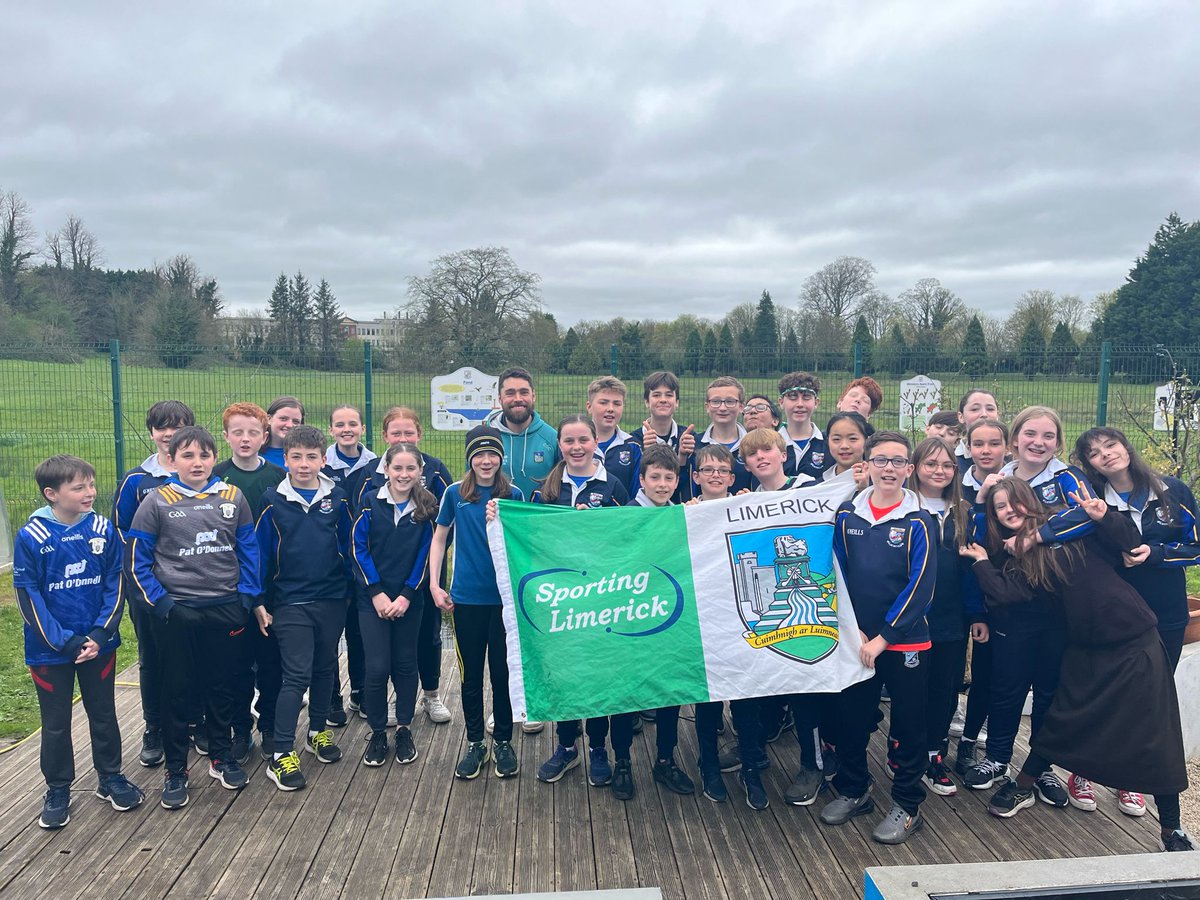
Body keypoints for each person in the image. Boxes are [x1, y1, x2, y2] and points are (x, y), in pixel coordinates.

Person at [961, 479, 1193, 851]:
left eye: (1015, 501)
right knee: (1064, 719)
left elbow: (1127, 540)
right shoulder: (1018, 561)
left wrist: (1104, 514)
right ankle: (1023, 786)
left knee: (1155, 732)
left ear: (1031, 501)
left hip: (1134, 640)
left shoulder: (1074, 528)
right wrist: (984, 563)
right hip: (1085, 648)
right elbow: (1005, 594)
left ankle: (1171, 828)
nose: (1009, 510)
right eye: (1000, 507)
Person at [127, 426, 263, 809]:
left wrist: (246, 599)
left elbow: (250, 551)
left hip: (225, 608)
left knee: (222, 688)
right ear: (172, 460)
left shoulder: (233, 497)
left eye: (204, 455)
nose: (197, 463)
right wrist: (166, 605)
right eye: (187, 455)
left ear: (213, 457)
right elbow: (136, 562)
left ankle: (221, 756)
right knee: (178, 691)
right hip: (178, 612)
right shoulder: (155, 501)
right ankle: (176, 771)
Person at [1068, 426, 1200, 816]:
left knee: (1150, 697)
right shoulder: (1091, 500)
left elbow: (1195, 546)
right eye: (1094, 452)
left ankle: (1129, 779)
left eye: (1111, 445)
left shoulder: (1170, 490)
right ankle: (1082, 771)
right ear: (1089, 464)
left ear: (1126, 447)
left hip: (1167, 610)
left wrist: (1155, 554)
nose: (1106, 454)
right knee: (1102, 688)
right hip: (1113, 610)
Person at [962, 406, 1087, 806]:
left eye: (1048, 435)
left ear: (1058, 441)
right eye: (1030, 434)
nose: (1038, 442)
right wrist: (983, 503)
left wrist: (1038, 535)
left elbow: (1089, 518)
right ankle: (998, 757)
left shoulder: (1067, 480)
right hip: (1008, 615)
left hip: (1056, 613)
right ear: (1014, 439)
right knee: (1006, 688)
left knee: (1048, 691)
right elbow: (976, 540)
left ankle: (1041, 764)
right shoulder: (1002, 480)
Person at [15, 455, 143, 829]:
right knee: (55, 722)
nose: (90, 493)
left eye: (91, 484)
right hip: (49, 650)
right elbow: (28, 596)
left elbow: (114, 583)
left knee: (103, 714)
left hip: (97, 644)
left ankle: (110, 777)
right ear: (51, 494)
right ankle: (57, 787)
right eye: (79, 487)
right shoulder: (32, 536)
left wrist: (100, 634)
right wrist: (65, 642)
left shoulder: (103, 529)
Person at [821, 430, 935, 845]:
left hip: (902, 644)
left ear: (909, 469)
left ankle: (907, 804)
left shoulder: (920, 520)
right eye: (881, 460)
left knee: (907, 727)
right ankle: (855, 790)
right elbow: (836, 574)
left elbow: (921, 588)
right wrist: (855, 631)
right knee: (851, 720)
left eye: (897, 462)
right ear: (866, 465)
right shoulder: (848, 514)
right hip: (857, 640)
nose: (889, 468)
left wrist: (883, 638)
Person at [533, 415, 633, 794]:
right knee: (566, 674)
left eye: (583, 440)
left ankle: (598, 748)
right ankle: (566, 745)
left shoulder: (613, 485)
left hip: (602, 597)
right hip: (560, 598)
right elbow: (532, 537)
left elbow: (629, 537)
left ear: (595, 443)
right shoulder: (547, 489)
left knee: (598, 674)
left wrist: (599, 525)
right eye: (568, 441)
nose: (576, 447)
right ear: (559, 445)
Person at [256, 425, 354, 791]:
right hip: (289, 601)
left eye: (311, 457)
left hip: (331, 598)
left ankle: (317, 731)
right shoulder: (271, 499)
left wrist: (348, 590)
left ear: (323, 459)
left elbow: (349, 545)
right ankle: (282, 752)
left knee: (326, 665)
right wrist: (259, 601)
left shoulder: (338, 498)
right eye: (295, 457)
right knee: (296, 674)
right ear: (285, 460)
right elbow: (258, 554)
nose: (303, 464)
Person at [429, 426, 524, 780]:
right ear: (470, 458)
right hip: (466, 600)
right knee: (470, 676)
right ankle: (474, 743)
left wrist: (504, 520)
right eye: (479, 455)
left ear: (501, 458)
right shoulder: (455, 493)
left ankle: (502, 740)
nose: (486, 461)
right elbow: (440, 540)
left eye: (492, 454)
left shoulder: (512, 493)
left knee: (502, 673)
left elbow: (521, 543)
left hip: (502, 601)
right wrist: (436, 586)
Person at [356, 407, 456, 727]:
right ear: (385, 437)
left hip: (422, 575)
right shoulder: (369, 476)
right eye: (396, 433)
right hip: (379, 583)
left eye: (408, 433)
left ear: (419, 435)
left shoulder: (436, 471)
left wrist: (427, 573)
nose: (402, 437)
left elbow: (443, 524)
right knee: (382, 651)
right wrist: (374, 589)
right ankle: (383, 703)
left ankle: (430, 694)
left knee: (427, 636)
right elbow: (356, 532)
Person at [900, 437, 986, 797]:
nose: (939, 471)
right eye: (930, 464)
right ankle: (905, 751)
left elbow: (970, 570)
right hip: (907, 619)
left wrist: (977, 613)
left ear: (955, 470)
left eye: (947, 465)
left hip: (951, 618)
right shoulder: (900, 506)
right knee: (909, 691)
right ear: (915, 468)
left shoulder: (964, 512)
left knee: (945, 689)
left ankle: (934, 753)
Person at [112, 399, 195, 768]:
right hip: (148, 589)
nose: (169, 434)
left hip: (194, 587)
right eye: (162, 427)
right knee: (153, 659)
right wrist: (143, 577)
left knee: (194, 656)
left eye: (178, 427)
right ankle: (154, 727)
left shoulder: (202, 477)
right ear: (151, 433)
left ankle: (195, 722)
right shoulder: (136, 481)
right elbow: (121, 532)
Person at [686, 444, 769, 806]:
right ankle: (708, 767)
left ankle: (752, 766)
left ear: (733, 478)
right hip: (703, 619)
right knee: (707, 700)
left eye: (722, 469)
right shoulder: (684, 513)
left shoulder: (745, 509)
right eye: (708, 469)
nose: (715, 475)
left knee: (746, 699)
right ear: (696, 477)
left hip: (742, 617)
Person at [352, 442, 437, 767]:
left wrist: (405, 595)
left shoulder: (426, 509)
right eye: (397, 468)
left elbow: (425, 557)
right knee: (376, 668)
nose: (403, 474)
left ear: (420, 472)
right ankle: (377, 732)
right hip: (371, 602)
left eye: (410, 469)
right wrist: (376, 592)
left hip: (408, 602)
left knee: (405, 664)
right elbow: (359, 549)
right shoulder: (370, 502)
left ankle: (403, 728)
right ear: (385, 470)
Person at [213, 402, 287, 764]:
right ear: (226, 436)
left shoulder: (278, 476)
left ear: (265, 436)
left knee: (271, 660)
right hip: (229, 587)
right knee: (236, 665)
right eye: (238, 432)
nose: (245, 439)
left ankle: (271, 725)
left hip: (272, 585)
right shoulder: (214, 477)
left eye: (253, 432)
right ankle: (240, 730)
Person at [623, 444, 696, 796]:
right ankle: (622, 760)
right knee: (625, 692)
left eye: (669, 477)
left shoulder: (683, 514)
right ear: (642, 479)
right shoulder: (622, 514)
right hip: (631, 619)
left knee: (670, 690)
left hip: (671, 619)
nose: (662, 484)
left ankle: (665, 759)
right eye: (655, 477)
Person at [951, 418, 1008, 775]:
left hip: (1018, 597)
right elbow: (968, 547)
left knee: (1009, 678)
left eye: (994, 443)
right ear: (968, 448)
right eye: (978, 444)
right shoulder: (957, 484)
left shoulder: (1019, 484)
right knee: (979, 676)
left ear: (1007, 446)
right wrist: (983, 501)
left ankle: (1003, 751)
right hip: (976, 596)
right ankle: (967, 742)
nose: (986, 451)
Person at [321, 404, 377, 729]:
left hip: (360, 561)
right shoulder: (320, 463)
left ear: (362, 429)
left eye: (352, 424)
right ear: (331, 429)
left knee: (359, 632)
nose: (346, 429)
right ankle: (331, 698)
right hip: (327, 565)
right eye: (339, 424)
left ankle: (360, 691)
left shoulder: (375, 465)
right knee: (330, 635)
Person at [484, 367, 560, 499]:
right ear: (500, 399)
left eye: (524, 392)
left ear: (533, 396)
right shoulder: (485, 438)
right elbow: (472, 486)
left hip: (539, 517)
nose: (518, 399)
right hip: (497, 517)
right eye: (510, 393)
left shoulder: (552, 437)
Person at [688, 376, 753, 498]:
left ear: (741, 406)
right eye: (716, 401)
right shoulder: (693, 445)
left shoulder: (754, 446)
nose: (722, 408)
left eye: (730, 401)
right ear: (707, 406)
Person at [586, 375, 643, 498]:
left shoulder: (633, 447)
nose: (610, 409)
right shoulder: (575, 446)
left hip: (622, 516)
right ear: (589, 407)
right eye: (603, 403)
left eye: (617, 403)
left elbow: (637, 494)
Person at [631, 371, 697, 464]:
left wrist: (682, 456)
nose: (663, 400)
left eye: (669, 395)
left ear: (677, 402)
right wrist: (645, 454)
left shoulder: (689, 438)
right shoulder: (633, 442)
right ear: (647, 402)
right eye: (656, 395)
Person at [778, 372, 828, 481]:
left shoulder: (828, 444)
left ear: (816, 403)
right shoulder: (770, 444)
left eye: (806, 397)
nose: (800, 404)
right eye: (793, 397)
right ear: (781, 402)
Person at [819, 411, 872, 485]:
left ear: (866, 441)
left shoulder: (877, 482)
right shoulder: (818, 485)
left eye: (853, 438)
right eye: (836, 439)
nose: (844, 446)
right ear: (828, 441)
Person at [955, 390, 1001, 472]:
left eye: (990, 409)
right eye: (975, 409)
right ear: (961, 416)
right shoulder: (951, 461)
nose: (984, 414)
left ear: (998, 415)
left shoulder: (1013, 460)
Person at [261, 396, 305, 468]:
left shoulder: (307, 453)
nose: (290, 425)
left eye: (296, 421)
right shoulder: (254, 452)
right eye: (283, 419)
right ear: (269, 419)